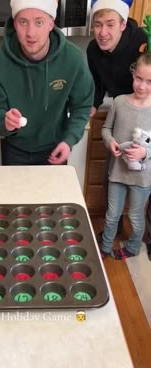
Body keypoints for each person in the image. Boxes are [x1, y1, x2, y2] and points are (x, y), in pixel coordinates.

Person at [0, 0, 94, 166]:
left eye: (39, 22)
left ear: (51, 23)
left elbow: (82, 106)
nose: (31, 33)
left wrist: (69, 140)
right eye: (23, 22)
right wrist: (3, 121)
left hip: (55, 148)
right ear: (14, 23)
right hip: (14, 150)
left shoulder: (73, 59)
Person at [86, 0, 151, 257]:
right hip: (120, 110)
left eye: (110, 25)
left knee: (141, 200)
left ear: (123, 25)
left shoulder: (141, 42)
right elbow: (97, 83)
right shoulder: (93, 50)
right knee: (111, 180)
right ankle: (108, 235)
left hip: (144, 117)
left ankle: (140, 239)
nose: (103, 32)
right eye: (98, 25)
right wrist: (92, 105)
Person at [100, 51, 151, 260]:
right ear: (133, 74)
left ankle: (132, 247)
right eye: (139, 79)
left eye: (149, 82)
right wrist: (110, 141)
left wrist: (145, 152)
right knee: (112, 215)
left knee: (136, 216)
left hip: (143, 177)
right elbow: (106, 128)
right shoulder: (119, 102)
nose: (142, 86)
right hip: (118, 173)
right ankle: (103, 249)